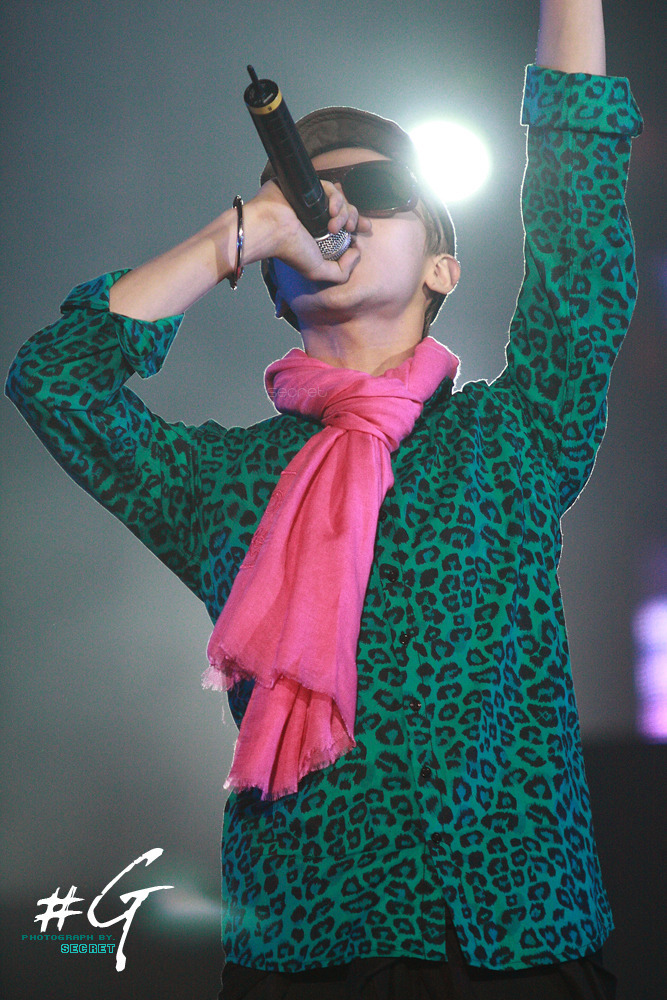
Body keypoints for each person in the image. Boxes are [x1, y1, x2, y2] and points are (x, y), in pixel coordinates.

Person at [5, 1, 642, 997]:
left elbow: (579, 221)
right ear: (271, 278)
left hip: (521, 945)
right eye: (302, 201)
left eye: (376, 191)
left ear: (441, 265)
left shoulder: (511, 434)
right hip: (307, 956)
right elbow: (55, 380)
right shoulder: (224, 482)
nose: (334, 210)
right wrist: (237, 232)